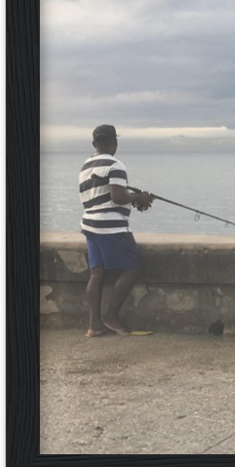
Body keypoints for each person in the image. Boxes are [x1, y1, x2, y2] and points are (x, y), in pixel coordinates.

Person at [78, 125, 155, 337]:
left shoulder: (85, 165)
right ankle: (111, 317)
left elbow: (103, 196)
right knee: (132, 268)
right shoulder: (115, 164)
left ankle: (94, 325)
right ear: (115, 142)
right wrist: (138, 197)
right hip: (110, 227)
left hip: (90, 225)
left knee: (97, 273)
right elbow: (118, 197)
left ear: (95, 144)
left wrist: (133, 198)